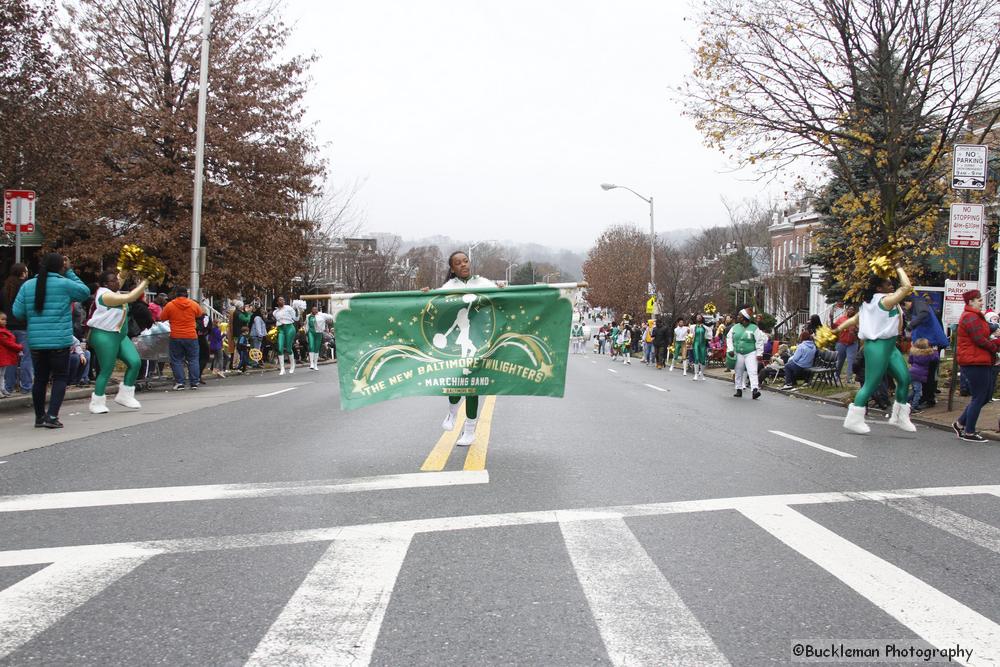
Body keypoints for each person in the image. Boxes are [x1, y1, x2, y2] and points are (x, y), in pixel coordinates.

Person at [425, 251, 499, 447]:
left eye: (465, 261)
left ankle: (469, 431)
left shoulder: (482, 282)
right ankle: (451, 413)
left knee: (472, 385)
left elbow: (503, 298)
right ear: (452, 268)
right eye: (458, 263)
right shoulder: (449, 287)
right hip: (456, 344)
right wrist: (424, 294)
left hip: (479, 342)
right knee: (455, 381)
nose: (463, 265)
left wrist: (501, 289)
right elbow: (435, 305)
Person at [11, 253, 91, 427]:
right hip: (59, 341)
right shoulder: (64, 284)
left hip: (36, 342)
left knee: (40, 379)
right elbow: (85, 292)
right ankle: (52, 416)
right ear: (60, 267)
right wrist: (69, 271)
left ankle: (39, 417)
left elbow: (17, 312)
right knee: (60, 377)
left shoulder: (28, 285)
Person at [833, 266, 915, 434]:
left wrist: (837, 329)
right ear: (878, 288)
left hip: (890, 346)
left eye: (891, 283)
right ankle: (854, 418)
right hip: (877, 346)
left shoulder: (870, 303)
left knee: (904, 379)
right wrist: (898, 267)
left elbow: (855, 319)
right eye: (887, 284)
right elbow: (906, 287)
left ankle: (900, 416)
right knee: (871, 384)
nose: (891, 285)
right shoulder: (884, 300)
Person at [86, 270, 149, 413]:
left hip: (119, 335)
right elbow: (132, 297)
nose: (117, 282)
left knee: (135, 362)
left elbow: (122, 276)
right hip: (104, 335)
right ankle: (97, 401)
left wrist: (128, 264)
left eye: (116, 279)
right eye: (113, 281)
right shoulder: (105, 295)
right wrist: (145, 282)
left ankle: (125, 395)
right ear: (105, 284)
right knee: (107, 369)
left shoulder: (112, 291)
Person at [953, 289, 999, 442]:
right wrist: (995, 347)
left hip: (980, 360)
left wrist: (994, 328)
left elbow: (984, 329)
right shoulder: (970, 317)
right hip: (974, 361)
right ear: (970, 302)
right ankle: (969, 432)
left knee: (985, 396)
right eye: (978, 300)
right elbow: (979, 338)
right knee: (979, 397)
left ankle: (960, 423)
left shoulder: (975, 316)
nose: (981, 302)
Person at [903, 295, 948, 409]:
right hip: (928, 343)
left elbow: (924, 314)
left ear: (908, 302)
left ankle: (927, 397)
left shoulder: (918, 305)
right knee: (928, 374)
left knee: (929, 375)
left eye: (905, 305)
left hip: (929, 344)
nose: (905, 308)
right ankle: (927, 396)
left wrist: (910, 326)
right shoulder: (919, 306)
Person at [160, 286, 204, 390]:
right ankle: (194, 382)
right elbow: (200, 314)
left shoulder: (170, 305)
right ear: (187, 294)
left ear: (176, 294)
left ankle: (180, 382)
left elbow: (162, 318)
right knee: (193, 359)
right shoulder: (193, 304)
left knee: (176, 360)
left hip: (176, 336)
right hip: (191, 335)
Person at [1, 263, 32, 394]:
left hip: (7, 328)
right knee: (26, 357)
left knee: (10, 358)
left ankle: (8, 387)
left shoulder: (5, 289)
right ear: (23, 273)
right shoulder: (26, 287)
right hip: (23, 326)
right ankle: (26, 386)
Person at [726, 307, 767, 399]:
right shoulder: (735, 327)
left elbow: (759, 341)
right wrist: (730, 349)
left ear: (744, 317)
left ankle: (755, 390)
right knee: (738, 371)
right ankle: (738, 389)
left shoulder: (754, 328)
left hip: (751, 352)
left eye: (739, 316)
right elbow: (729, 338)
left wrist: (759, 353)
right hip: (738, 352)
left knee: (752, 371)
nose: (737, 317)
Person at [908, 338, 935, 414]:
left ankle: (905, 401)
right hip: (919, 375)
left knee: (914, 390)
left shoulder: (913, 352)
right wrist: (934, 350)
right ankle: (913, 406)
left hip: (911, 372)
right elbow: (935, 358)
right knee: (918, 392)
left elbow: (910, 361)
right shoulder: (928, 354)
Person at [272, 296, 299, 375]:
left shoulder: (288, 308)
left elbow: (296, 318)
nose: (282, 301)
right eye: (280, 300)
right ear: (277, 302)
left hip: (289, 328)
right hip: (281, 329)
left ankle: (292, 365)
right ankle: (282, 368)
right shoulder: (275, 312)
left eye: (283, 299)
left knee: (288, 348)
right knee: (280, 348)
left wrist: (298, 310)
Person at [0, 310, 23, 397]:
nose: (5, 321)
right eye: (2, 319)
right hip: (2, 356)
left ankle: (2, 389)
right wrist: (20, 347)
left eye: (5, 319)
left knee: (2, 374)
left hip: (4, 356)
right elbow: (8, 343)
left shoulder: (4, 330)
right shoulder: (2, 332)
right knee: (0, 374)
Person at [833, 305, 859, 383]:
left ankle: (849, 378)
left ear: (854, 311)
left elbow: (860, 330)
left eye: (852, 309)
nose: (851, 311)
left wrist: (856, 329)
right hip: (841, 343)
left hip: (852, 344)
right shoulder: (841, 319)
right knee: (839, 361)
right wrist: (831, 319)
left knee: (851, 361)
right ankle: (836, 376)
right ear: (846, 310)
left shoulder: (856, 320)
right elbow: (834, 327)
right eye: (849, 309)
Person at [305, 305, 335, 370]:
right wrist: (306, 332)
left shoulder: (322, 315)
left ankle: (315, 364)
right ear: (311, 310)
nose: (314, 310)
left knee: (317, 348)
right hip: (311, 332)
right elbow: (306, 325)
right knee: (311, 346)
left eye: (316, 309)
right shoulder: (308, 316)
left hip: (319, 333)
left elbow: (330, 317)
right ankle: (311, 363)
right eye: (313, 309)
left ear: (317, 310)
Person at [690, 314, 708, 380]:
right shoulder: (693, 327)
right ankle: (696, 374)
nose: (699, 318)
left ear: (702, 318)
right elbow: (690, 335)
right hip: (696, 344)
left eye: (700, 317)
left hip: (703, 344)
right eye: (697, 317)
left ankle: (702, 374)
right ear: (696, 319)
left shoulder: (704, 327)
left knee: (703, 360)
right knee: (696, 358)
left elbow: (709, 334)